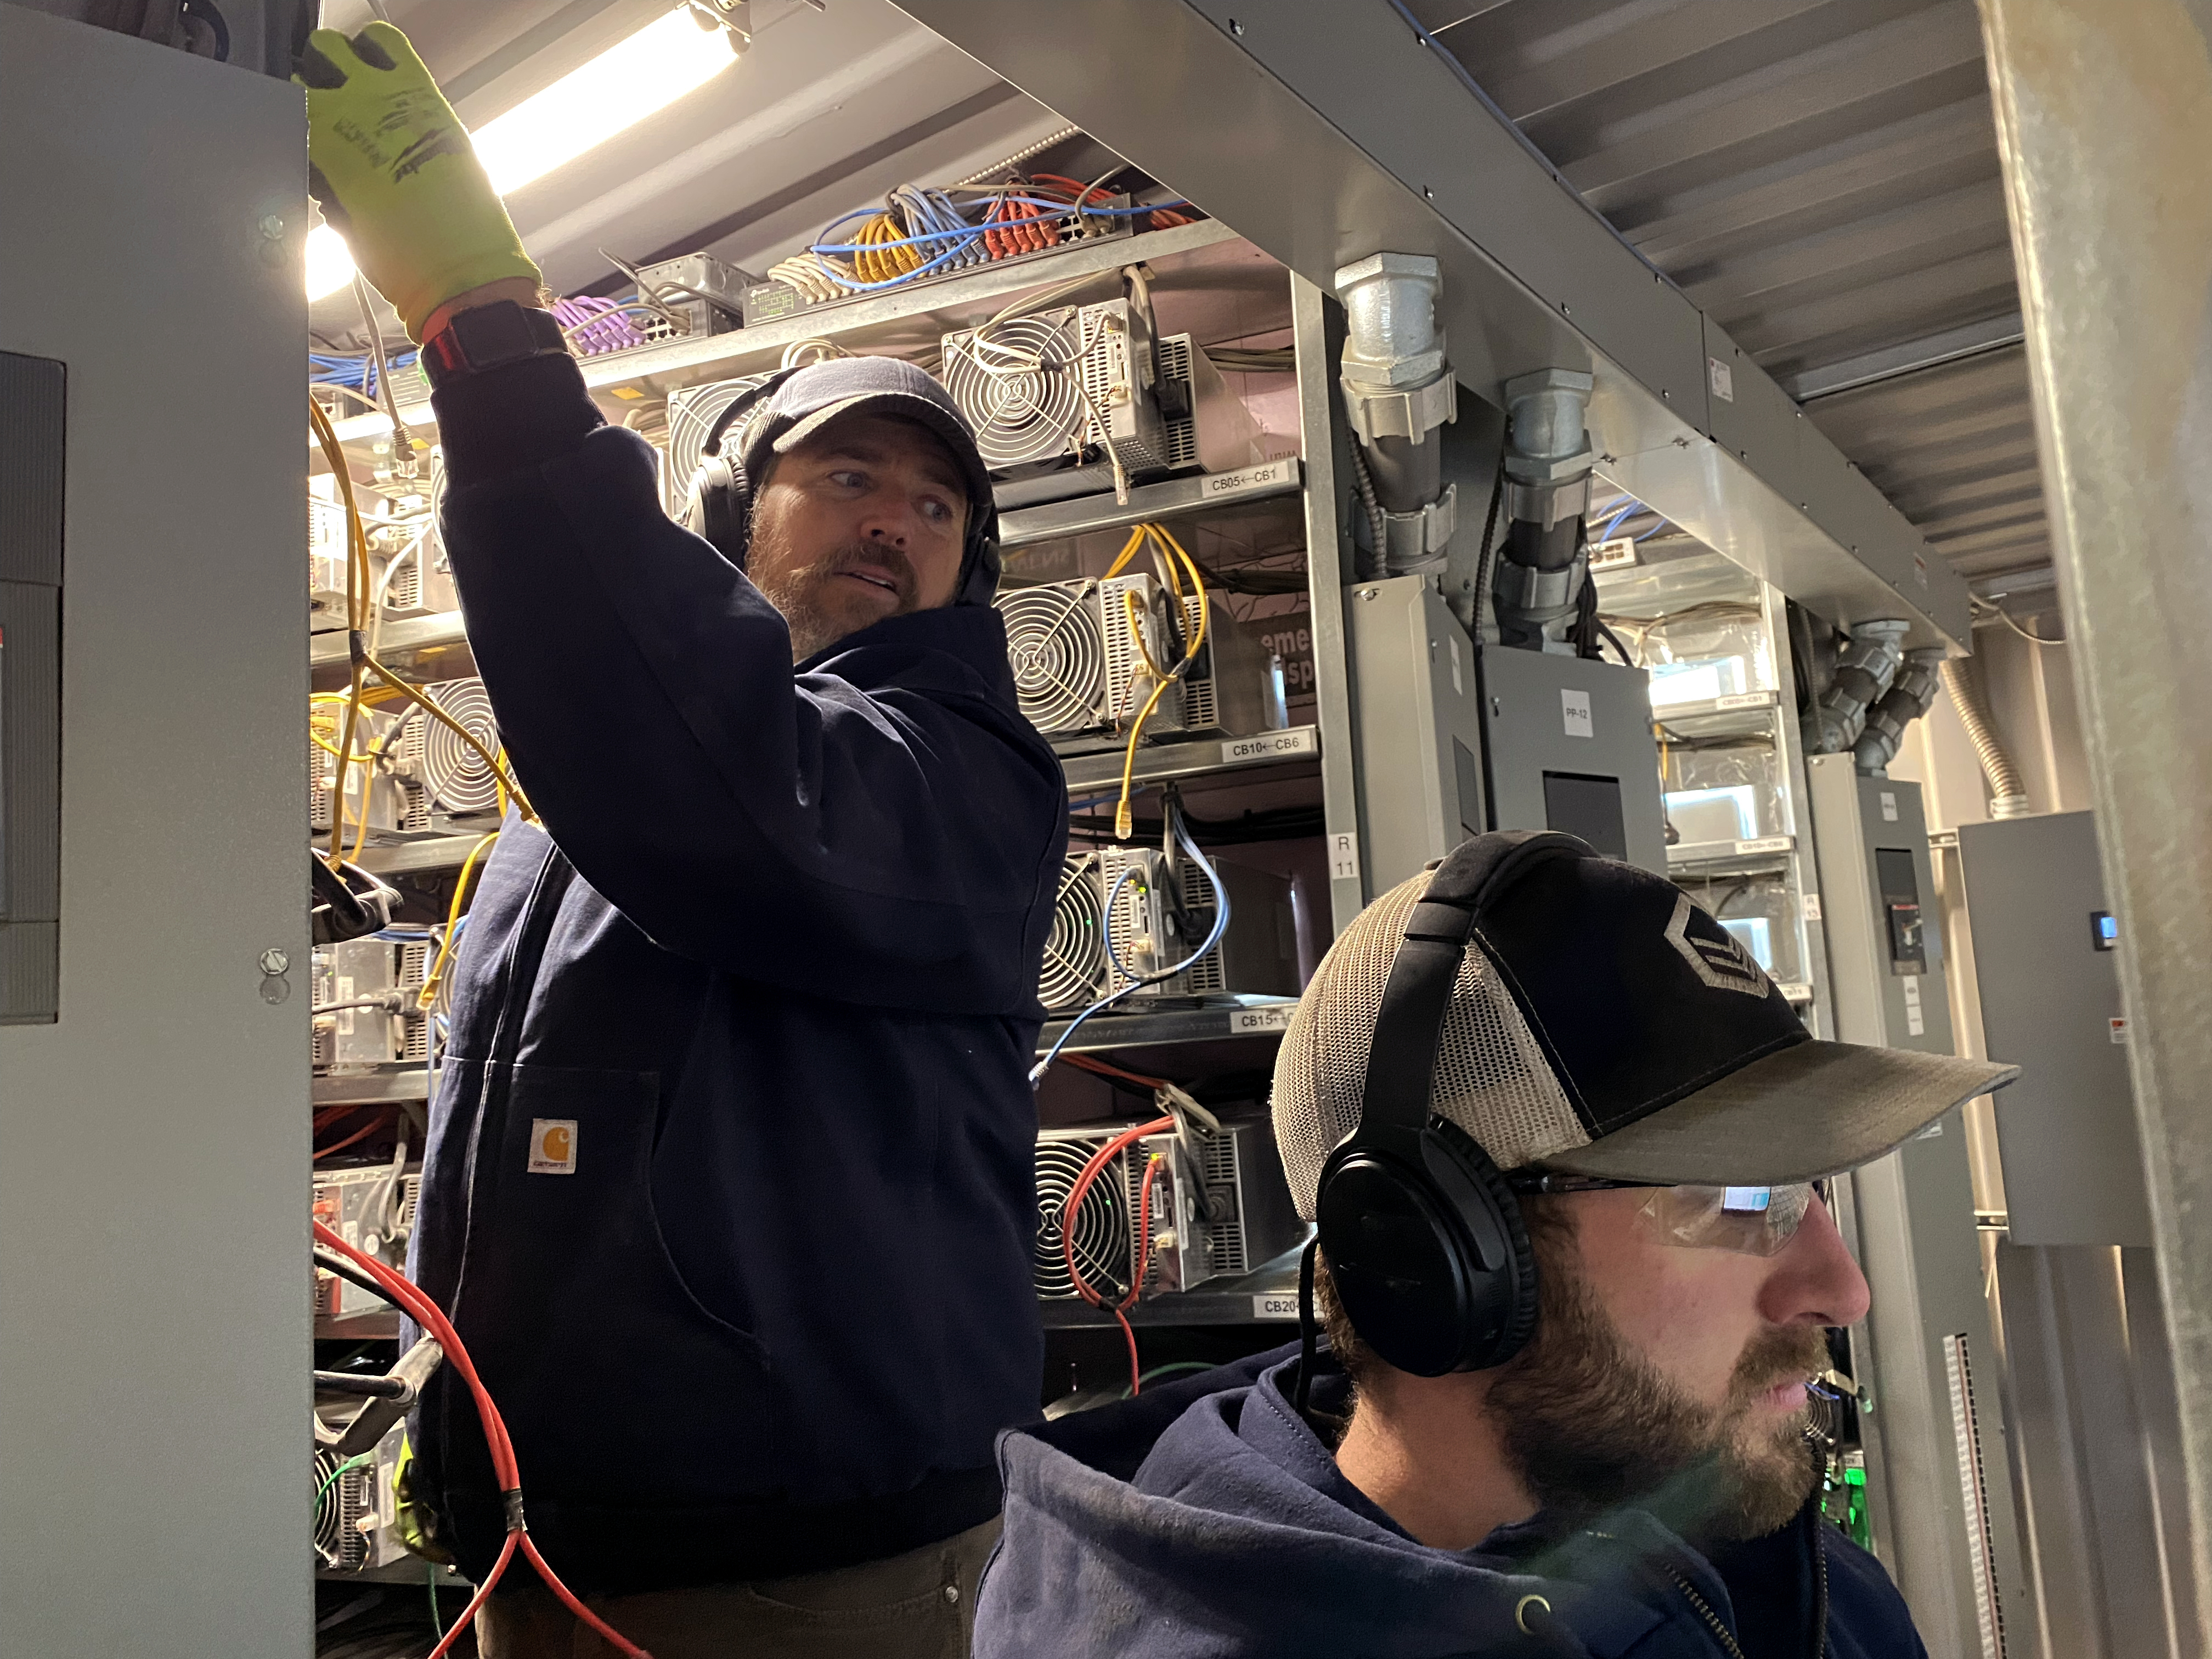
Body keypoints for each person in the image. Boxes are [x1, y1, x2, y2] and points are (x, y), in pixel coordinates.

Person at [299, 26, 1067, 1657]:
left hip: (810, 1557)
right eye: (847, 474)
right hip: (554, 1531)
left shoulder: (956, 775)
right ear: (729, 516)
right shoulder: (590, 805)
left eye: (937, 509)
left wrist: (488, 338)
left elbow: (710, 764)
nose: (895, 520)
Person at [975, 830, 2019, 1658]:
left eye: (1812, 1193)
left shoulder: (1754, 1549)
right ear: (1433, 1255)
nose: (1843, 1289)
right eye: (1745, 1199)